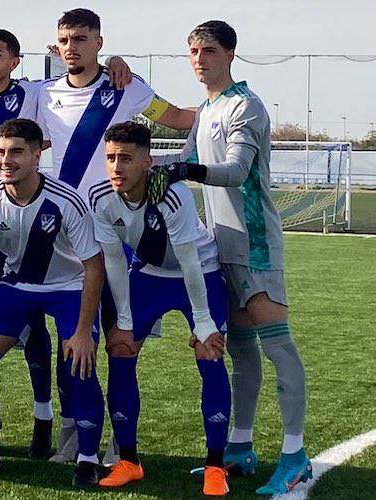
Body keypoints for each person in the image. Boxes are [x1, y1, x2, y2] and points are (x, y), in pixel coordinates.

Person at [148, 20, 311, 496]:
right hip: (219, 247)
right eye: (194, 51)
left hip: (255, 247)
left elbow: (237, 172)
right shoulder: (207, 108)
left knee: (278, 349)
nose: (200, 59)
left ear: (231, 54)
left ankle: (295, 454)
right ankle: (240, 448)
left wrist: (184, 168)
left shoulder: (247, 106)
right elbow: (179, 156)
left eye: (210, 51)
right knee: (239, 352)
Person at [37, 7, 196, 463]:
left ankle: (118, 437)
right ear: (57, 45)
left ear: (99, 43)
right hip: (64, 238)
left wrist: (225, 102)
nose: (73, 47)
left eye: (81, 39)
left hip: (119, 237)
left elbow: (180, 119)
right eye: (66, 40)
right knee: (72, 336)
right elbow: (25, 142)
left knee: (119, 340)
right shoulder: (42, 95)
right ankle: (74, 429)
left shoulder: (127, 87)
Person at [0, 118, 104, 488]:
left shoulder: (66, 200)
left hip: (69, 286)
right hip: (18, 286)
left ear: (38, 156)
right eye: (1, 152)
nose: (6, 160)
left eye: (17, 152)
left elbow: (93, 267)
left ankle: (87, 457)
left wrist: (85, 331)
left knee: (79, 362)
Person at [90, 121, 231, 496]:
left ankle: (216, 466)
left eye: (126, 159)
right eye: (111, 158)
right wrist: (121, 319)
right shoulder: (101, 197)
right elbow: (114, 261)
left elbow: (188, 261)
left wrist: (203, 322)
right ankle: (129, 461)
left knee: (209, 353)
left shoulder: (171, 193)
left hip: (199, 273)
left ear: (147, 162)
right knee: (120, 350)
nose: (117, 167)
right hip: (149, 275)